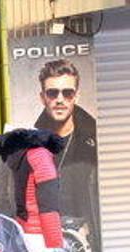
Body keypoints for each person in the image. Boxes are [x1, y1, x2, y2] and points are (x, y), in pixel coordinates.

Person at [33, 59, 98, 227]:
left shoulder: (97, 143)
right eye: (52, 93)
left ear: (76, 96)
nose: (60, 100)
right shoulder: (29, 147)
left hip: (90, 241)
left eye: (67, 93)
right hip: (44, 240)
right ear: (42, 97)